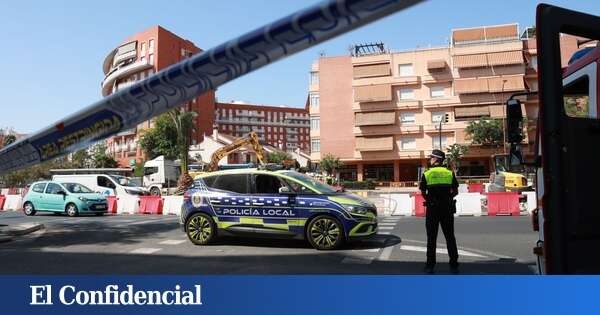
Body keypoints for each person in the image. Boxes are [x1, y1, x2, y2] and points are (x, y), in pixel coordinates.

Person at [419, 149, 460, 274]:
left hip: (433, 209)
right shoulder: (449, 173)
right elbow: (456, 191)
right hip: (447, 209)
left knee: (431, 238)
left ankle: (430, 266)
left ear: (436, 159)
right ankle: (454, 265)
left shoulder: (427, 174)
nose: (430, 159)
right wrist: (447, 199)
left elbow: (423, 192)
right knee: (450, 237)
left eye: (431, 157)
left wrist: (431, 200)